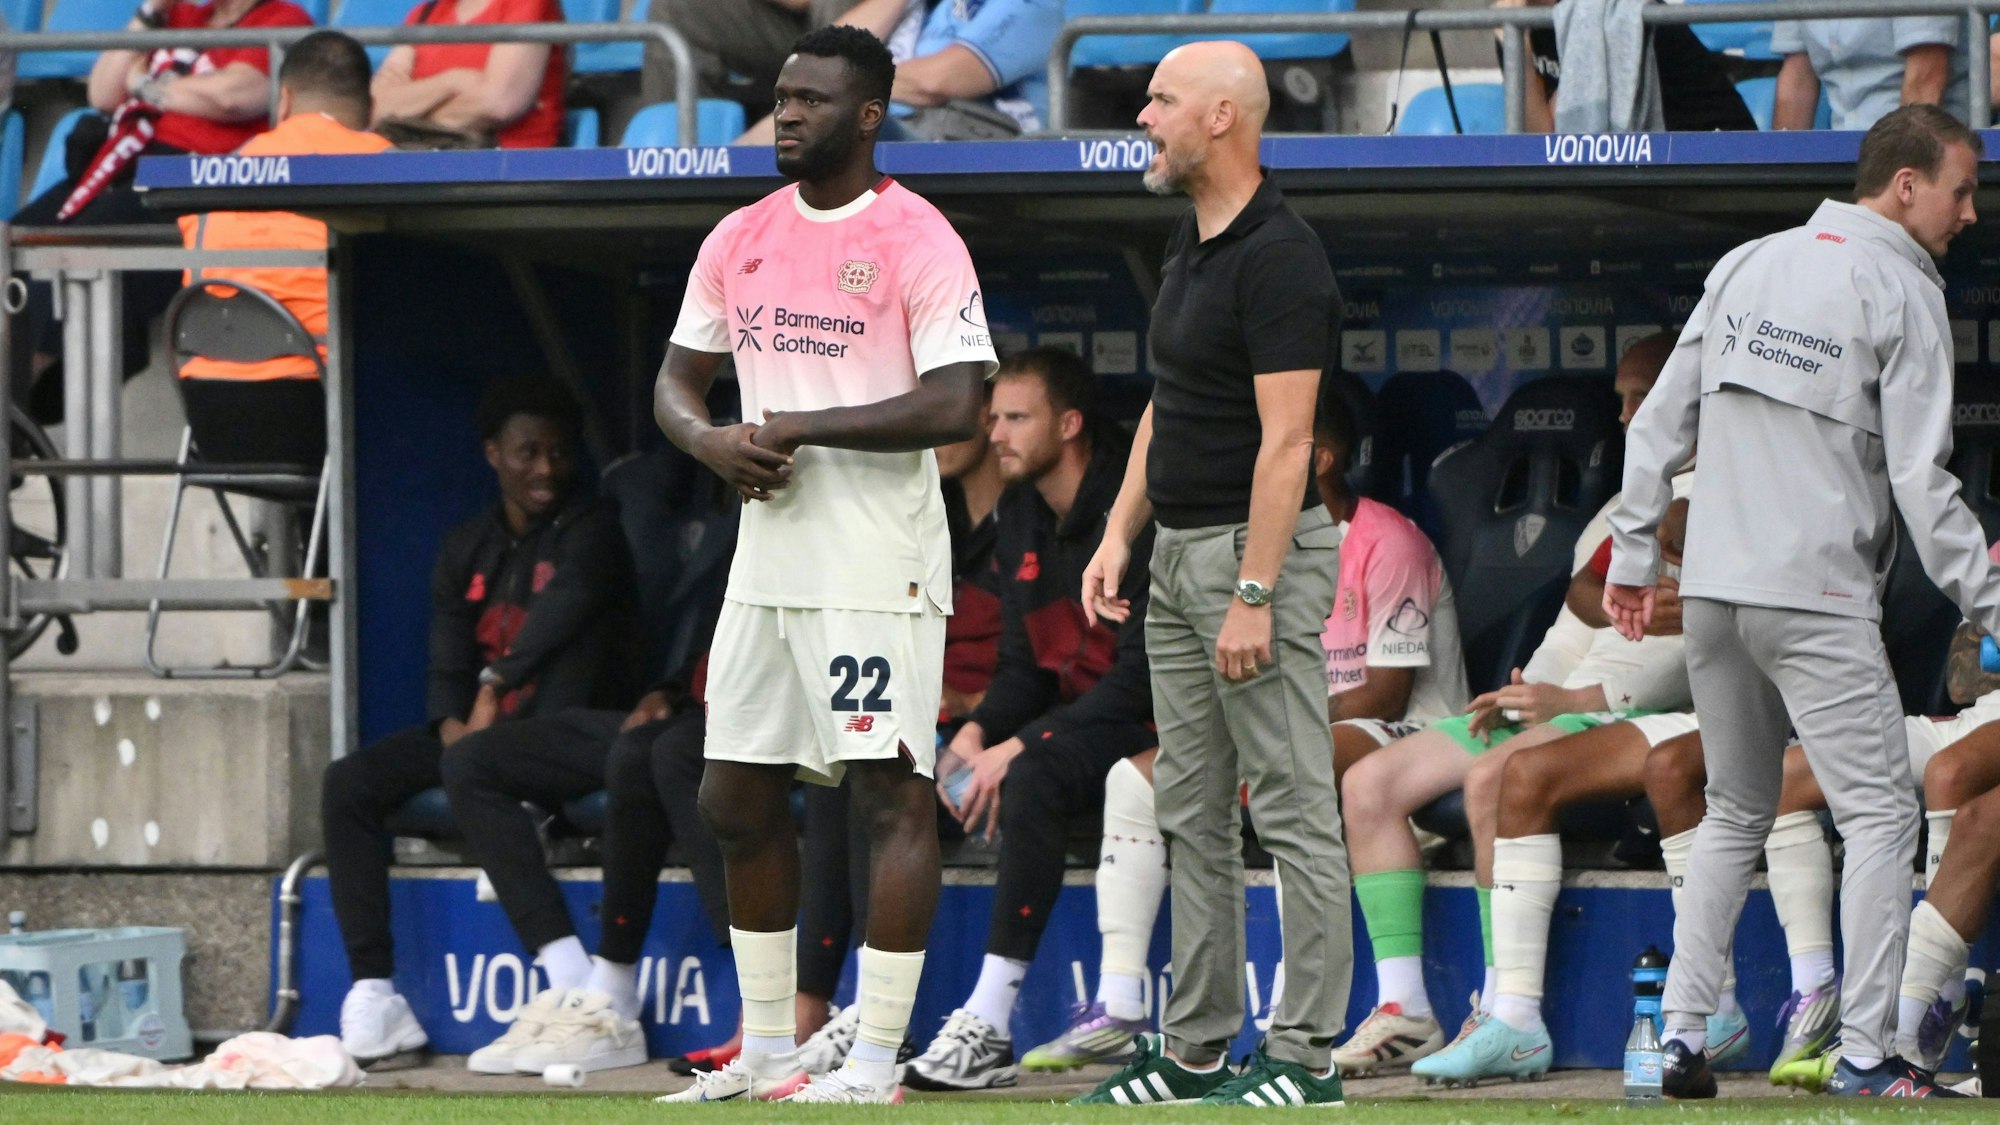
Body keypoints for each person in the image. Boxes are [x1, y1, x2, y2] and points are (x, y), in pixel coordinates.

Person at [1605, 104, 2000, 1100]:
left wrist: (1628, 551)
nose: (1967, 213)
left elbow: (1657, 424)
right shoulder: (1904, 289)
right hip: (1813, 594)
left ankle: (1681, 1044)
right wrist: (1992, 607)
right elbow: (1923, 486)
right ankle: (1867, 1054)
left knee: (1733, 810)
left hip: (1710, 593)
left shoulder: (1749, 261)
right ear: (1904, 185)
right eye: (1959, 190)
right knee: (1874, 816)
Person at [653, 24, 997, 1106]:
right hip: (767, 566)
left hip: (874, 567)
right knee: (732, 797)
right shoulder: (740, 234)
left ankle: (876, 1061)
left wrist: (805, 424)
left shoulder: (916, 238)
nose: (786, 114)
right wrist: (707, 439)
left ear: (866, 115)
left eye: (809, 100)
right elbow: (676, 382)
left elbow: (958, 403)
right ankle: (764, 1052)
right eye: (779, 95)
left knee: (887, 799)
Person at [1024, 377, 1466, 1076]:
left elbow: (1386, 691)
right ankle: (1119, 1001)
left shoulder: (1388, 540)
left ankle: (1297, 1025)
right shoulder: (1241, 541)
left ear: (1316, 456)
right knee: (1140, 778)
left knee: (1293, 771)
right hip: (1288, 728)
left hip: (1410, 737)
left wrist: (1261, 730)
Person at [1075, 40, 1347, 1109]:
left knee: (1288, 812)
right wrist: (1115, 532)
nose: (1144, 116)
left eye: (1161, 100)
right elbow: (1170, 401)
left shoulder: (1282, 256)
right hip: (1179, 553)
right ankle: (1193, 1052)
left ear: (1223, 116)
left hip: (1249, 557)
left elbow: (1288, 446)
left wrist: (1254, 590)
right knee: (1189, 811)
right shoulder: (1189, 243)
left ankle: (1308, 1060)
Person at [1332, 339, 1675, 1078]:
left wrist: (1576, 699)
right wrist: (1526, 691)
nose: (1624, 414)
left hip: (1631, 715)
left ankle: (1503, 1010)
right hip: (1565, 703)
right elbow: (1573, 626)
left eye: (1640, 395)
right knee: (1369, 785)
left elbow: (1705, 651)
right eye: (1619, 398)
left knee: (1493, 775)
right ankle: (1406, 1009)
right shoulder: (1621, 509)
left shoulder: (1728, 502)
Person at [326, 377, 638, 1065]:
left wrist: (494, 688)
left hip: (568, 730)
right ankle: (376, 994)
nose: (546, 469)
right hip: (483, 734)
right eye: (528, 452)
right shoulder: (468, 544)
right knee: (349, 783)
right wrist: (449, 725)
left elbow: (563, 615)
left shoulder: (596, 530)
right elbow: (446, 658)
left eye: (559, 452)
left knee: (475, 759)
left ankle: (571, 987)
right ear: (493, 453)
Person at [900, 348, 1156, 1092]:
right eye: (994, 418)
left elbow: (1139, 682)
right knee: (901, 770)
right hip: (1069, 715)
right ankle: (867, 1009)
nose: (997, 433)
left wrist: (1015, 743)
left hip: (1141, 717)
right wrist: (975, 735)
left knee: (1034, 773)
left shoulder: (1129, 507)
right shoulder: (1019, 508)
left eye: (1016, 417)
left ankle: (989, 1018)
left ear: (1069, 424)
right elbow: (1022, 666)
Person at [10, 0, 314, 423]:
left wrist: (143, 85)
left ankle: (18, 404)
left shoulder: (281, 19)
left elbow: (234, 97)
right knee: (21, 231)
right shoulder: (177, 17)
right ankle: (15, 413)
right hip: (119, 163)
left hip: (192, 180)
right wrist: (151, 12)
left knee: (82, 239)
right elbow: (102, 92)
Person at [174, 30, 392, 458]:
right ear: (371, 109)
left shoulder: (215, 177)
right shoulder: (385, 166)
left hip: (210, 418)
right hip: (319, 417)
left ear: (284, 100)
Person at [737, 0, 1061, 143]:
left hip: (975, 142)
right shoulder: (931, 6)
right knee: (798, 117)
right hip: (899, 131)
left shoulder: (1032, 4)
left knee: (828, 116)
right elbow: (816, 56)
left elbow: (934, 82)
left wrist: (841, 83)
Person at [1498, 0, 1754, 133]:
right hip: (1644, 178)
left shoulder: (1608, 12)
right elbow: (1537, 143)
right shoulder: (1513, 25)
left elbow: (1564, 133)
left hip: (1717, 161)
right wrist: (1517, 47)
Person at [370, 0, 566, 148]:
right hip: (425, 160)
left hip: (509, 170)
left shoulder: (527, 3)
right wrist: (451, 82)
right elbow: (374, 108)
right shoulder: (423, 15)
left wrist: (409, 110)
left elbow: (497, 103)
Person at [1772, 17, 1976, 131]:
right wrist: (1779, 172)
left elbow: (1926, 77)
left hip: (1920, 157)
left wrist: (1891, 166)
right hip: (1839, 154)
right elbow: (1797, 78)